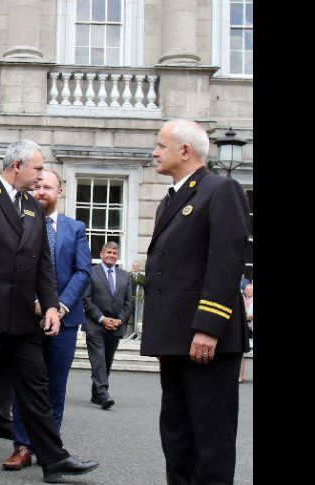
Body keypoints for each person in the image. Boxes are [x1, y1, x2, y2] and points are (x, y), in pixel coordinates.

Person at [0, 140, 98, 484]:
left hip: (23, 319)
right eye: (38, 168)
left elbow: (42, 264)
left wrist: (53, 306)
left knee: (36, 388)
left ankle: (53, 459)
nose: (41, 176)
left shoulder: (32, 206)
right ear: (17, 167)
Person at [143, 119, 250, 484]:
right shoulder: (170, 200)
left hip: (206, 341)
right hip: (175, 339)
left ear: (185, 151)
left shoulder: (221, 190)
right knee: (176, 434)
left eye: (161, 145)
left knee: (211, 438)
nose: (155, 152)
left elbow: (226, 260)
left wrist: (208, 327)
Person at [2, 168, 96, 472]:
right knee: (24, 385)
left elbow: (83, 272)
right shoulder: (20, 224)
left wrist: (60, 307)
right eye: (37, 186)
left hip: (64, 321)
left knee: (55, 386)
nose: (41, 192)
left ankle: (49, 450)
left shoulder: (75, 228)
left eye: (48, 187)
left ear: (61, 192)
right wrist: (34, 304)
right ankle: (23, 446)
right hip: (26, 319)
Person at [81, 241, 133, 410]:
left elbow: (128, 302)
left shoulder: (125, 276)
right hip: (95, 325)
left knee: (107, 361)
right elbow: (86, 299)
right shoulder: (91, 272)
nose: (111, 255)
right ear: (102, 254)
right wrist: (102, 318)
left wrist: (120, 319)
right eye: (108, 252)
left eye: (114, 253)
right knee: (98, 361)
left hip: (116, 326)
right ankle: (104, 395)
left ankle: (96, 394)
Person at [239, 283, 253, 382]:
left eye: (250, 290)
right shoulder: (241, 298)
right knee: (242, 352)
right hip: (244, 326)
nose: (248, 291)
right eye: (247, 289)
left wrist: (245, 316)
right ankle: (240, 376)